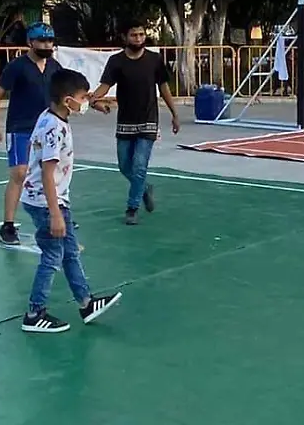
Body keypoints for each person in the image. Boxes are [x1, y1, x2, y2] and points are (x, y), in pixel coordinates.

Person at [17, 69, 122, 334]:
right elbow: (48, 173)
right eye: (81, 97)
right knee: (53, 255)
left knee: (70, 252)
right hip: (46, 202)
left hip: (49, 198)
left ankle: (86, 303)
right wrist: (55, 213)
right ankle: (34, 312)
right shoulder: (54, 128)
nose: (85, 102)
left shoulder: (49, 117)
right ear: (67, 101)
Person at [90, 23, 182, 225]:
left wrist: (175, 113)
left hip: (148, 120)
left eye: (141, 35)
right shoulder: (116, 61)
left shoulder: (154, 60)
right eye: (134, 35)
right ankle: (144, 187)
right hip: (125, 121)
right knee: (125, 166)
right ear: (125, 36)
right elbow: (105, 86)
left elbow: (164, 87)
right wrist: (93, 99)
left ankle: (132, 208)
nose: (138, 39)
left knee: (139, 165)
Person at [0, 24, 62, 248]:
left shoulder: (54, 66)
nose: (46, 45)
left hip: (47, 128)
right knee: (20, 173)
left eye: (49, 41)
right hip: (20, 127)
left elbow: (64, 93)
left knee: (52, 172)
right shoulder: (17, 67)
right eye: (41, 41)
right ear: (30, 42)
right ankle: (8, 224)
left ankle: (56, 214)